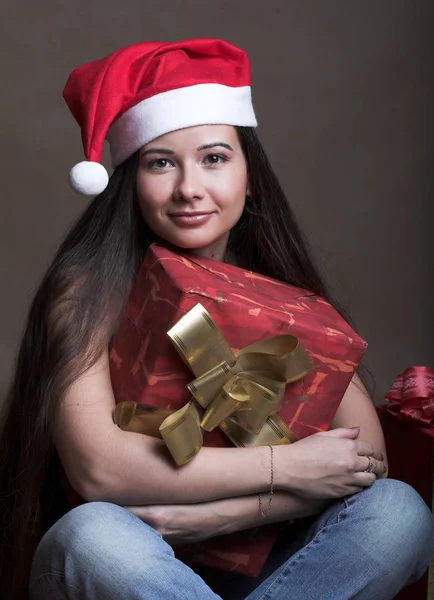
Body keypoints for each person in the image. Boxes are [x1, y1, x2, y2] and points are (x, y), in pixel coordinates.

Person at [0, 38, 432, 600]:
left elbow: (365, 455)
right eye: (160, 163)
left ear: (249, 175)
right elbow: (100, 471)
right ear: (131, 180)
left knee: (398, 512)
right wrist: (289, 469)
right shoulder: (87, 289)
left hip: (280, 573)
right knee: (93, 536)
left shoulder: (281, 293)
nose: (189, 189)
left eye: (214, 158)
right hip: (127, 564)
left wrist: (216, 518)